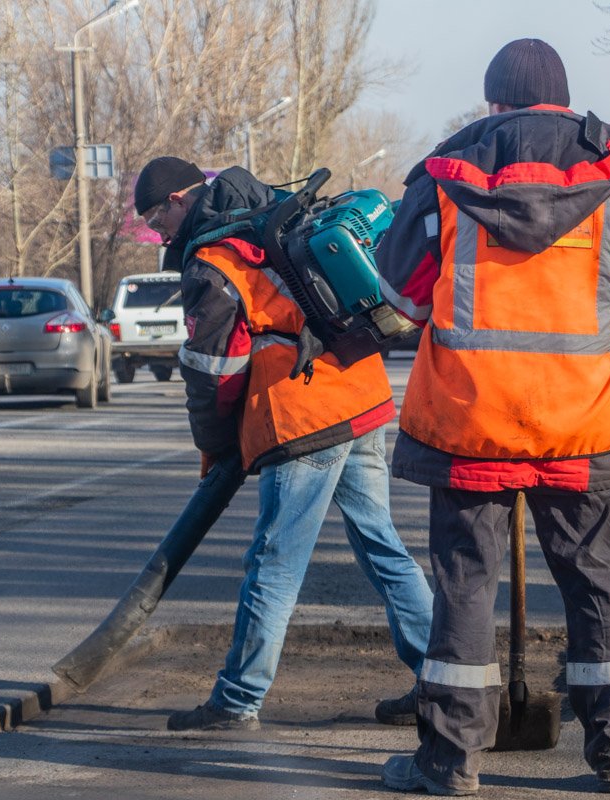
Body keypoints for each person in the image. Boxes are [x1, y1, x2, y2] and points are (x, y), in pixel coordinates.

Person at [374, 39, 610, 795]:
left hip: (471, 424)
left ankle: (449, 762)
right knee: (598, 587)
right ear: (565, 102)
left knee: (464, 589)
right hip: (583, 425)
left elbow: (403, 299)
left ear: (494, 104)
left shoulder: (444, 183)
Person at [132, 155, 433, 731]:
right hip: (358, 393)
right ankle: (440, 679)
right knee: (381, 545)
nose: (156, 233)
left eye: (154, 219)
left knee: (275, 559)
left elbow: (213, 370)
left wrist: (216, 446)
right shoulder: (268, 211)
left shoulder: (212, 261)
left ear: (178, 200)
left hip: (303, 413)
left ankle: (237, 698)